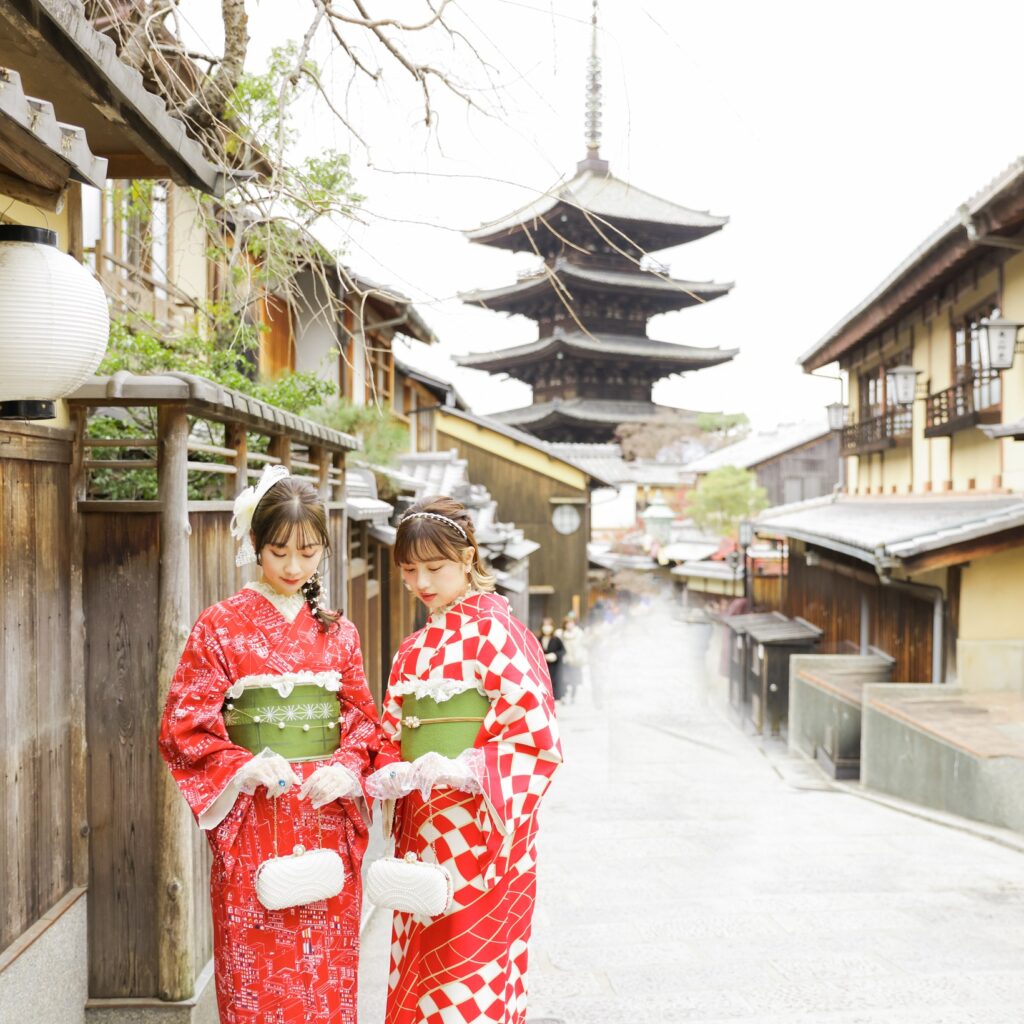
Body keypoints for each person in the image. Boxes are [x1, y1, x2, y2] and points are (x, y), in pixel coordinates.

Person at [158, 465, 380, 1024]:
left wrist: (351, 769)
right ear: (255, 543)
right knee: (254, 968)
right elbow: (183, 724)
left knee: (326, 975)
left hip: (324, 815)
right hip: (254, 817)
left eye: (308, 553)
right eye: (280, 550)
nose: (294, 566)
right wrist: (241, 766)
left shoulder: (339, 631)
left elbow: (363, 721)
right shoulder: (221, 626)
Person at [366, 496, 563, 1024]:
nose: (421, 582)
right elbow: (391, 735)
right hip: (422, 834)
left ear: (469, 557)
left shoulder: (502, 635)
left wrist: (466, 767)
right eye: (409, 570)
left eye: (435, 568)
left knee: (466, 973)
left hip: (485, 835)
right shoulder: (412, 649)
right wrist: (389, 770)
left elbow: (534, 736)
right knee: (418, 963)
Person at [559, 614, 587, 704]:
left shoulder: (579, 633)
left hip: (576, 660)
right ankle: (565, 695)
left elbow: (583, 646)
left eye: (571, 623)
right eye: (567, 623)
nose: (569, 625)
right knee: (565, 680)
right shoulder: (561, 634)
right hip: (566, 660)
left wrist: (581, 657)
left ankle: (573, 697)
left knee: (575, 680)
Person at [538, 616, 566, 702]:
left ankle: (556, 698)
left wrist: (555, 655)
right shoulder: (539, 639)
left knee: (554, 681)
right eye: (545, 625)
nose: (547, 628)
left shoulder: (556, 639)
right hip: (543, 666)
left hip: (554, 666)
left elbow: (563, 651)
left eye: (549, 625)